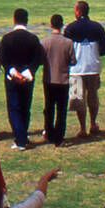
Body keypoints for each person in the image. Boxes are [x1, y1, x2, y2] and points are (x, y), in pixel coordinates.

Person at [0, 8, 46, 150]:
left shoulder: (7, 38)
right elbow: (37, 59)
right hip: (28, 78)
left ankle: (20, 140)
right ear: (27, 20)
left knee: (14, 108)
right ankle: (23, 136)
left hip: (12, 78)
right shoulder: (33, 38)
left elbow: (3, 59)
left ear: (14, 20)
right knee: (26, 108)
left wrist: (14, 73)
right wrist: (26, 73)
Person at [64, 0, 105, 137]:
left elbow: (66, 47)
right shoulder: (97, 27)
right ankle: (93, 123)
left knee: (78, 99)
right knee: (93, 96)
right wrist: (96, 54)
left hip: (76, 69)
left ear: (78, 11)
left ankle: (82, 127)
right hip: (93, 67)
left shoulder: (70, 28)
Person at [39, 13, 76, 146]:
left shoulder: (44, 42)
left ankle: (49, 133)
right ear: (62, 25)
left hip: (49, 79)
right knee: (61, 110)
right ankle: (59, 138)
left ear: (50, 25)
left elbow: (41, 60)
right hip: (63, 80)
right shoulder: (68, 42)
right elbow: (73, 61)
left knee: (49, 108)